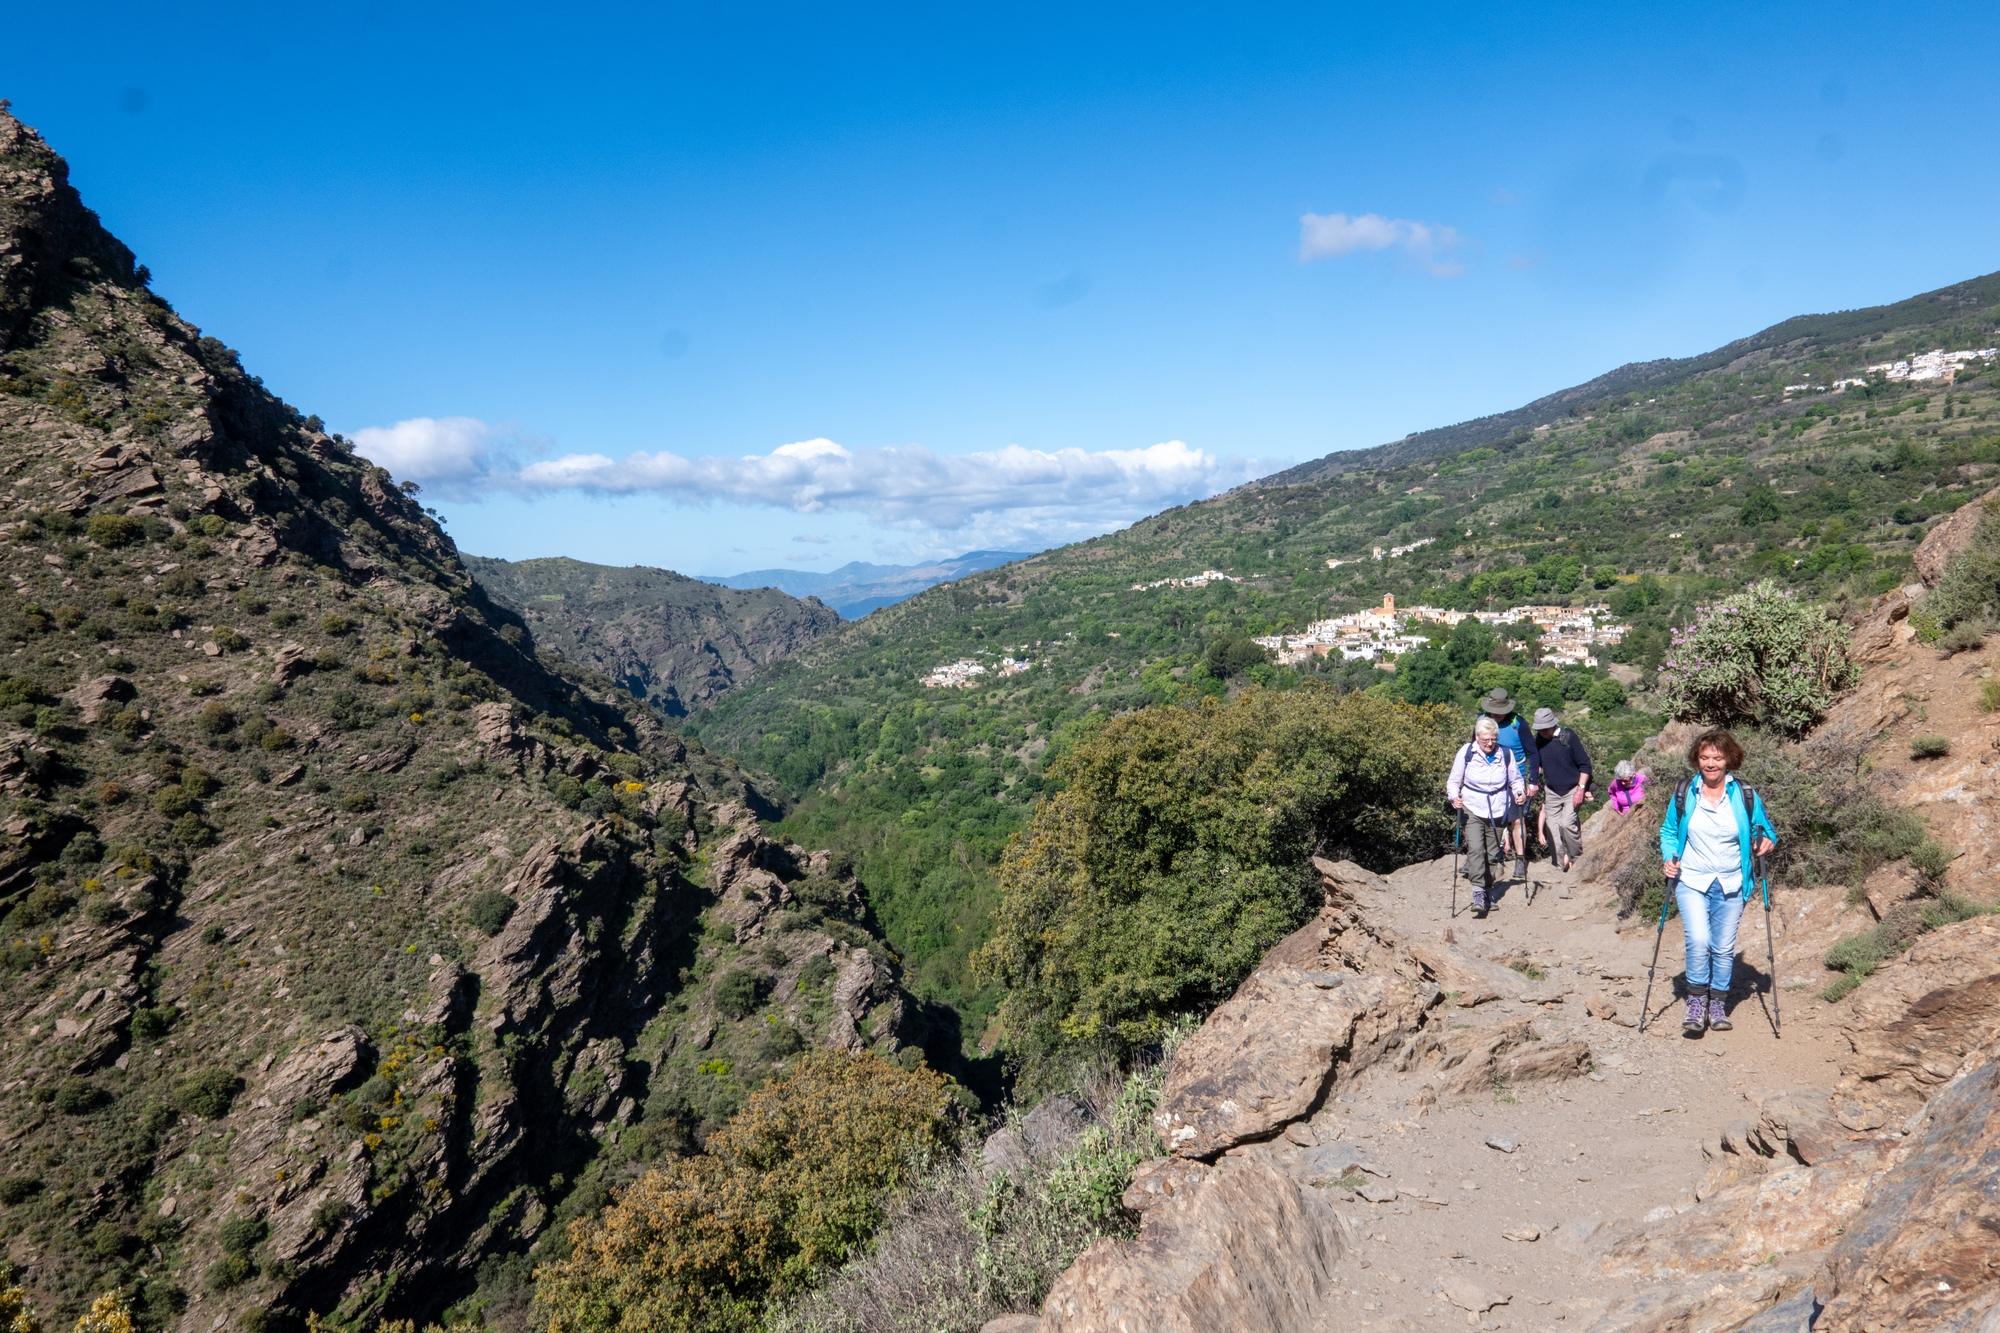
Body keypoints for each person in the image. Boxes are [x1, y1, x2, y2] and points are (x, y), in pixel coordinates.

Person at [1658, 728, 1779, 1035]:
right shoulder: (1686, 792)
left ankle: (1717, 1004)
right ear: (1696, 760)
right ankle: (1696, 1003)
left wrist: (1764, 842)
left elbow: (1765, 831)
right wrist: (1670, 857)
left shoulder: (1744, 794)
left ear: (1729, 760)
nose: (1710, 763)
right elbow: (1669, 832)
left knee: (1723, 949)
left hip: (1732, 881)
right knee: (1699, 941)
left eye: (1717, 757)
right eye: (1704, 757)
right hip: (1692, 879)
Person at [1447, 715, 1525, 918]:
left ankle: (1488, 890)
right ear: (1477, 737)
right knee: (1475, 849)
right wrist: (1454, 797)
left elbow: (1515, 780)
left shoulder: (1505, 754)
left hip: (1498, 809)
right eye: (1485, 740)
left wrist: (1519, 792)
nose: (1490, 743)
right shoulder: (1467, 752)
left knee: (1493, 854)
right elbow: (1454, 781)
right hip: (1472, 807)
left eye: (1493, 739)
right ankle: (1478, 893)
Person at [1477, 688, 1540, 880]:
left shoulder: (1517, 723)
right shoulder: (1482, 721)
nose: (1497, 714)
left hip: (1515, 779)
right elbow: (1474, 748)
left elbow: (1532, 752)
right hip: (1489, 780)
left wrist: (1533, 781)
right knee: (1488, 819)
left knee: (1517, 820)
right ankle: (1489, 860)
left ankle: (1520, 861)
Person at [1530, 707, 1593, 872]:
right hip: (1552, 791)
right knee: (1552, 829)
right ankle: (1559, 866)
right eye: (1540, 729)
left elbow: (1585, 765)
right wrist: (1532, 780)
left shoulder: (1568, 737)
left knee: (1566, 824)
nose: (1542, 732)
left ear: (1553, 724)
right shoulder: (1539, 740)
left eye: (1545, 728)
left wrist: (1581, 789)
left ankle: (1577, 860)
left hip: (1572, 789)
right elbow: (1538, 764)